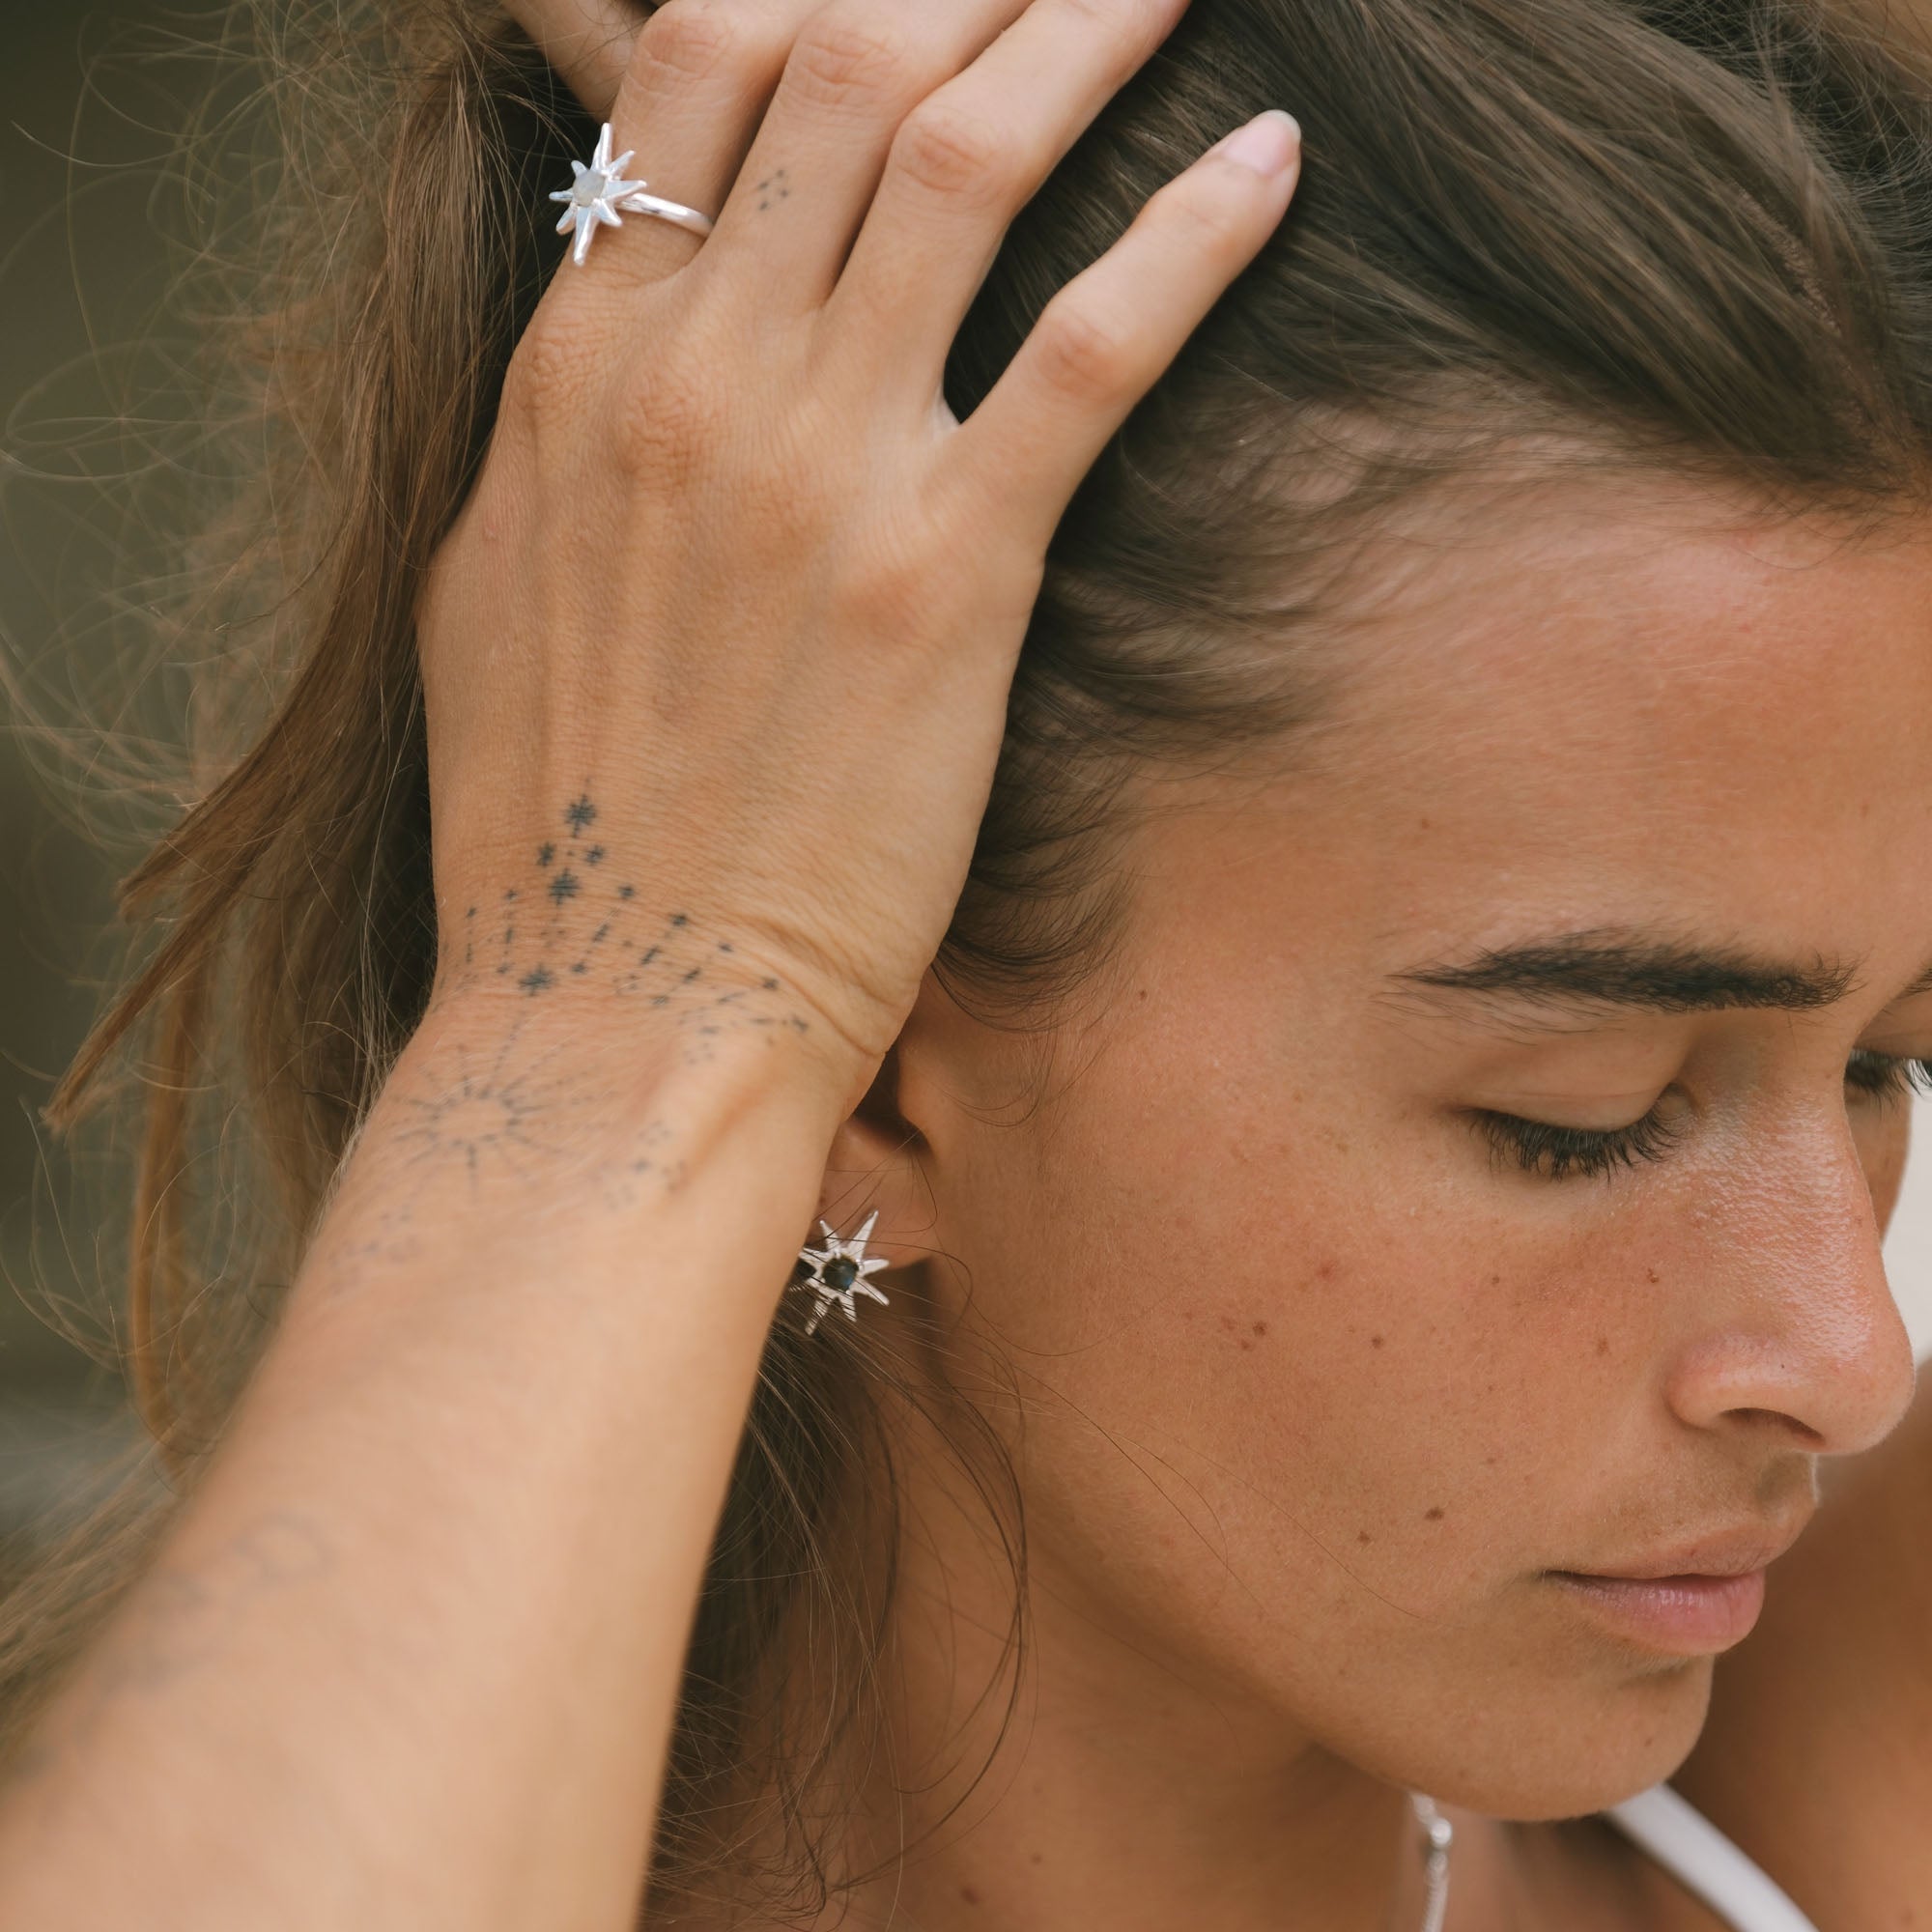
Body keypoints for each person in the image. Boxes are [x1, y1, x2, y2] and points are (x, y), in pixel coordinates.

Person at [0, 0, 1928, 1924]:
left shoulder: (1836, 1743)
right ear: (874, 1063)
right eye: (1577, 1115)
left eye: (1883, 1067)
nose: (1854, 1361)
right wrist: (629, 1004)